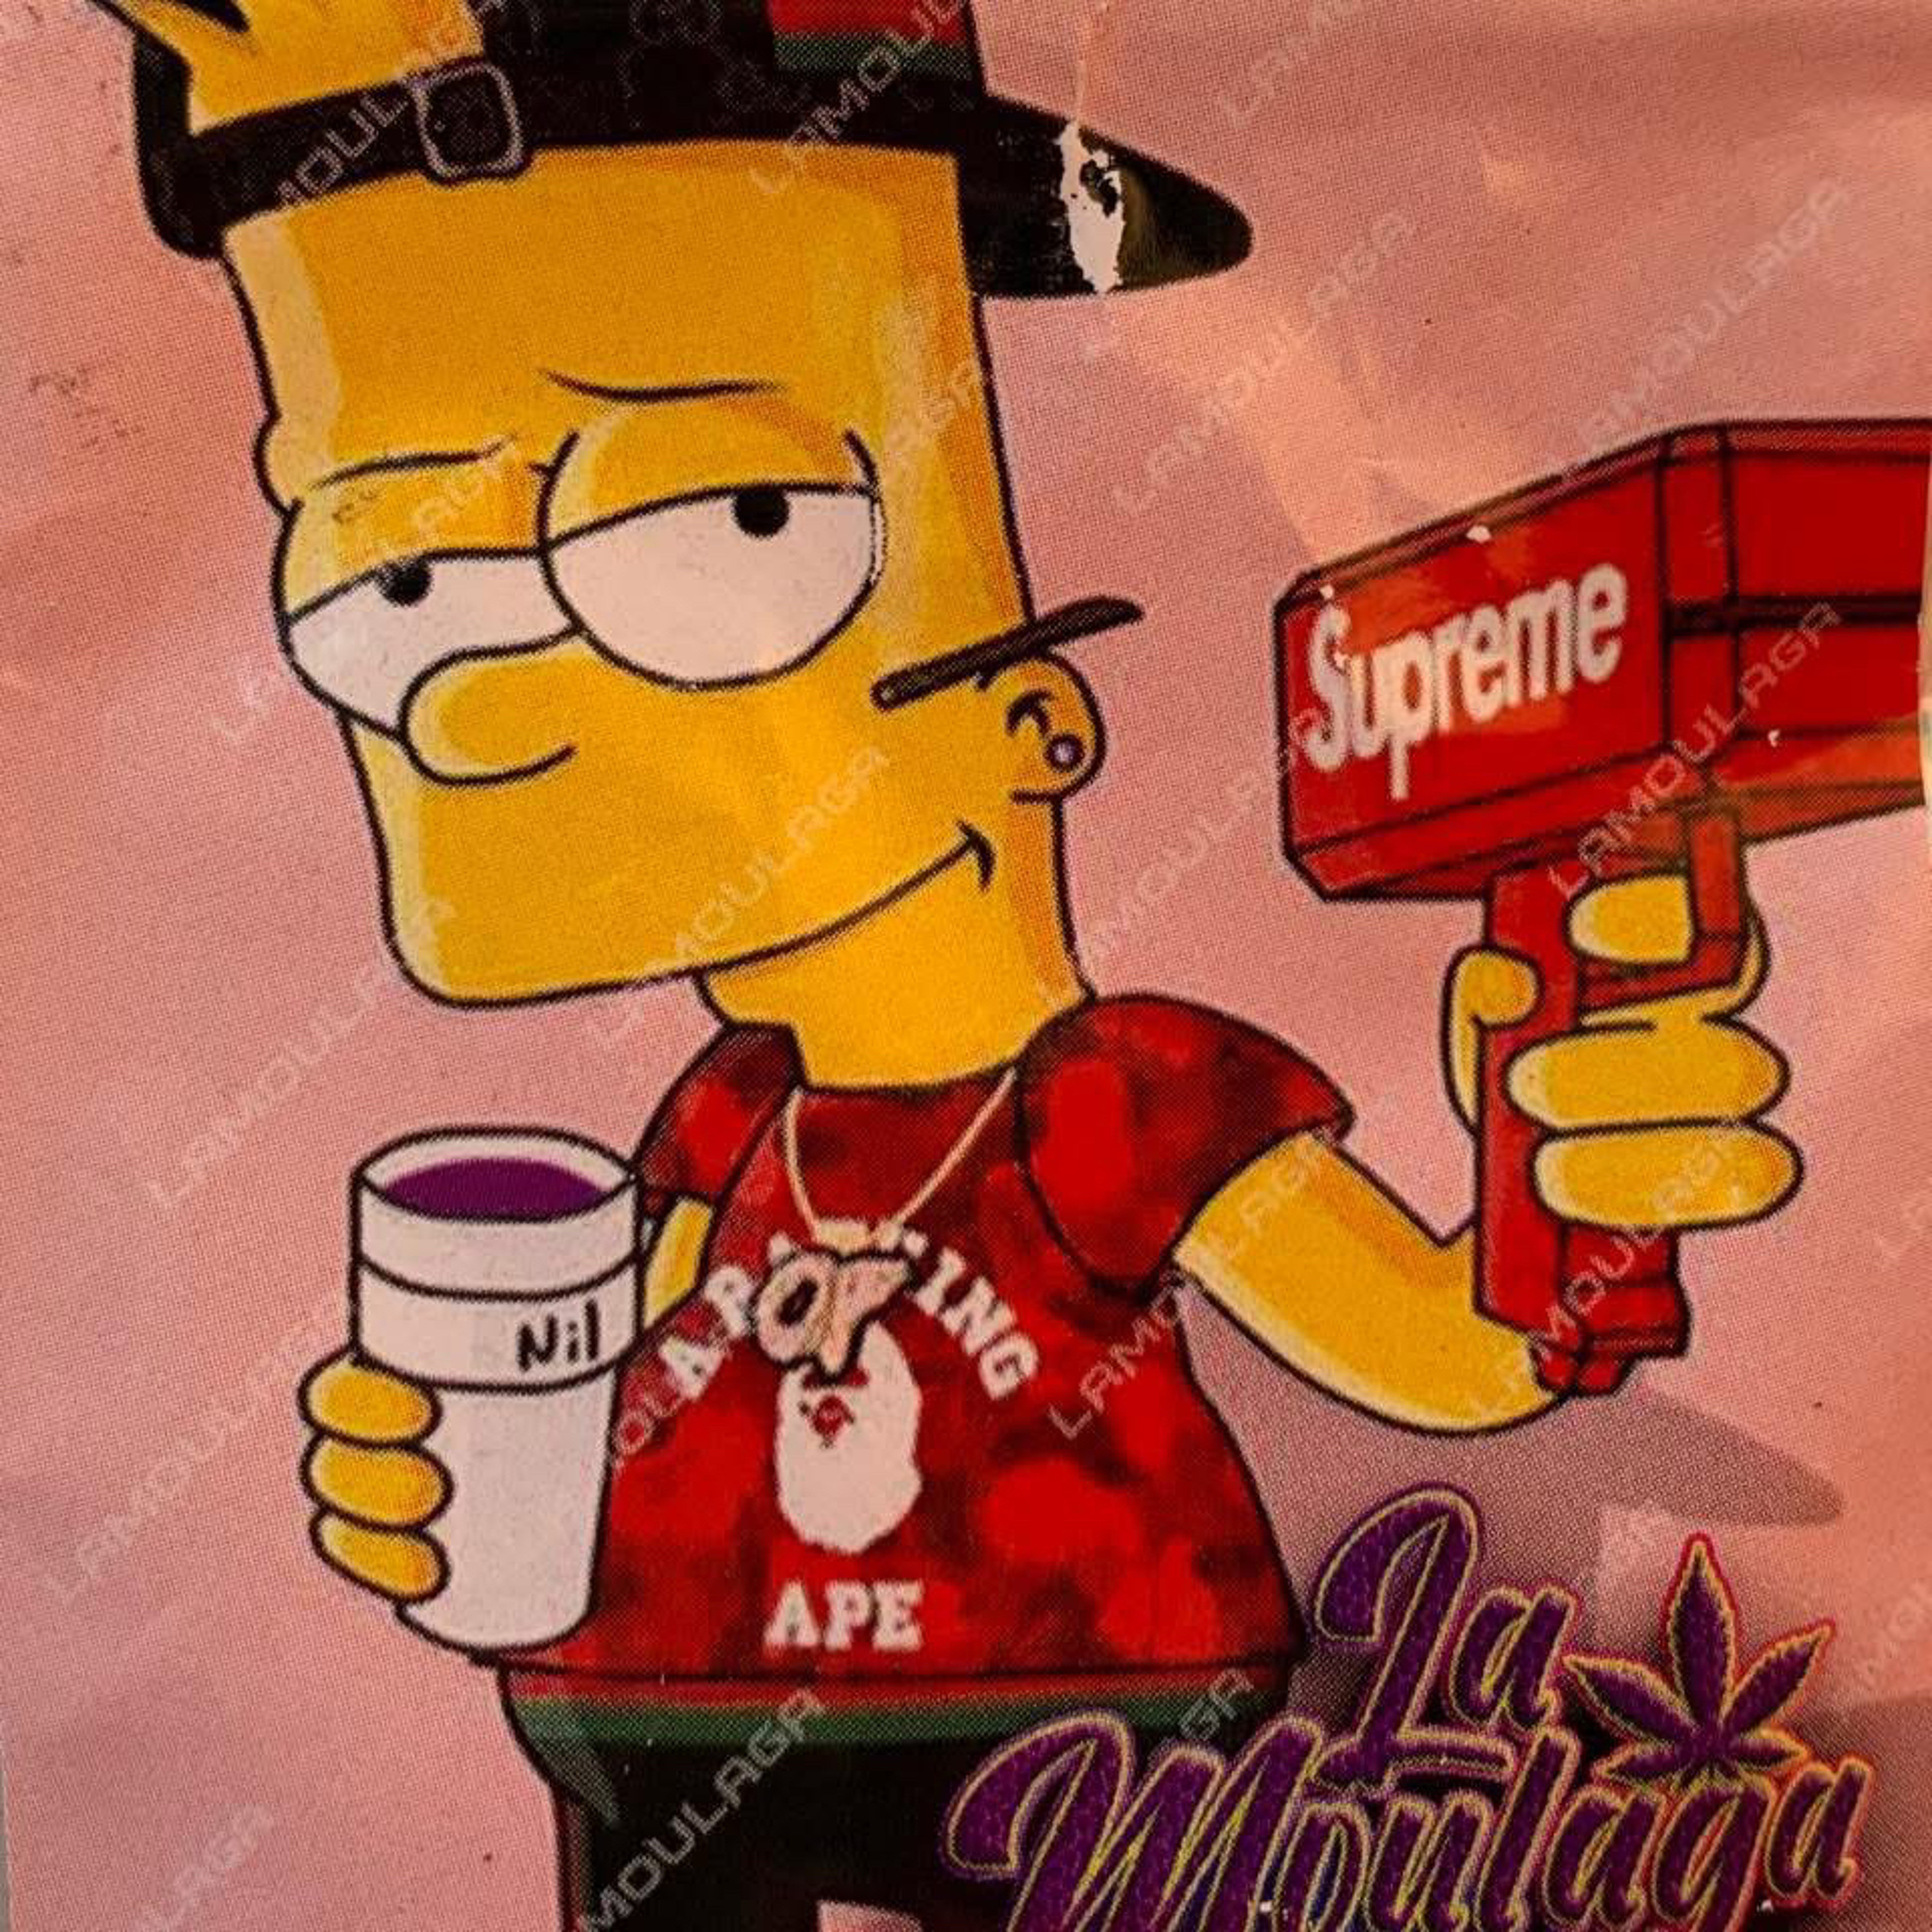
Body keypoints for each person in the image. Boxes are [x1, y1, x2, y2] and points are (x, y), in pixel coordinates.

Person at [85, 0, 1799, 1920]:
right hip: (650, 1720)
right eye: (393, 586)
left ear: (1040, 722)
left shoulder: (1125, 1103)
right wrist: (441, 1481)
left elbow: (1450, 1353)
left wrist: (1571, 1206)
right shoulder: (731, 1116)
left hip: (1080, 1729)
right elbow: (592, 1376)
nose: (483, 714)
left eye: (715, 528)